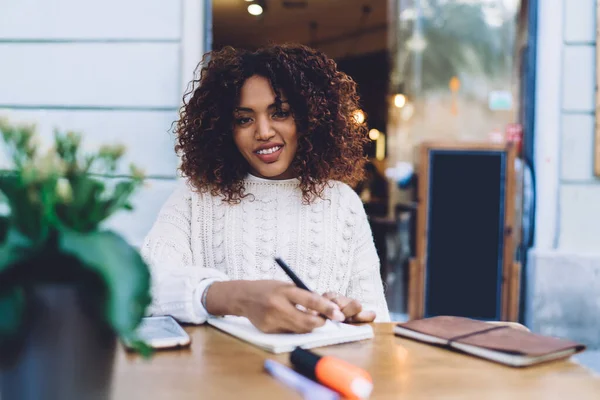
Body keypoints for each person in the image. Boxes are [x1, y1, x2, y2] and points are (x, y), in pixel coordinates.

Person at [142, 44, 390, 334]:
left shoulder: (342, 202)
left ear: (310, 118)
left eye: (280, 113)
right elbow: (141, 288)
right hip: (220, 375)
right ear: (224, 128)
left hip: (312, 372)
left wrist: (349, 316)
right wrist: (234, 298)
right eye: (244, 119)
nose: (263, 132)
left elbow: (379, 323)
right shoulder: (195, 198)